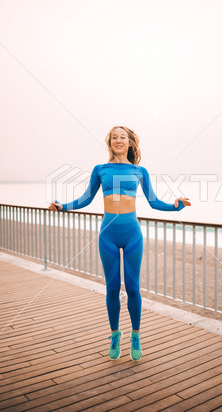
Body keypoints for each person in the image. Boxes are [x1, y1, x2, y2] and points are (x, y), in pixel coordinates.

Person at [48, 126, 191, 361]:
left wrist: (176, 206)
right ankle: (115, 334)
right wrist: (62, 206)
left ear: (130, 143)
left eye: (122, 137)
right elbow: (85, 199)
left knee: (133, 288)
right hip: (108, 235)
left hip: (132, 234)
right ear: (110, 143)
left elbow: (154, 202)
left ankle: (136, 335)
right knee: (112, 288)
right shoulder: (100, 169)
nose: (118, 140)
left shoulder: (140, 171)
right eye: (114, 137)